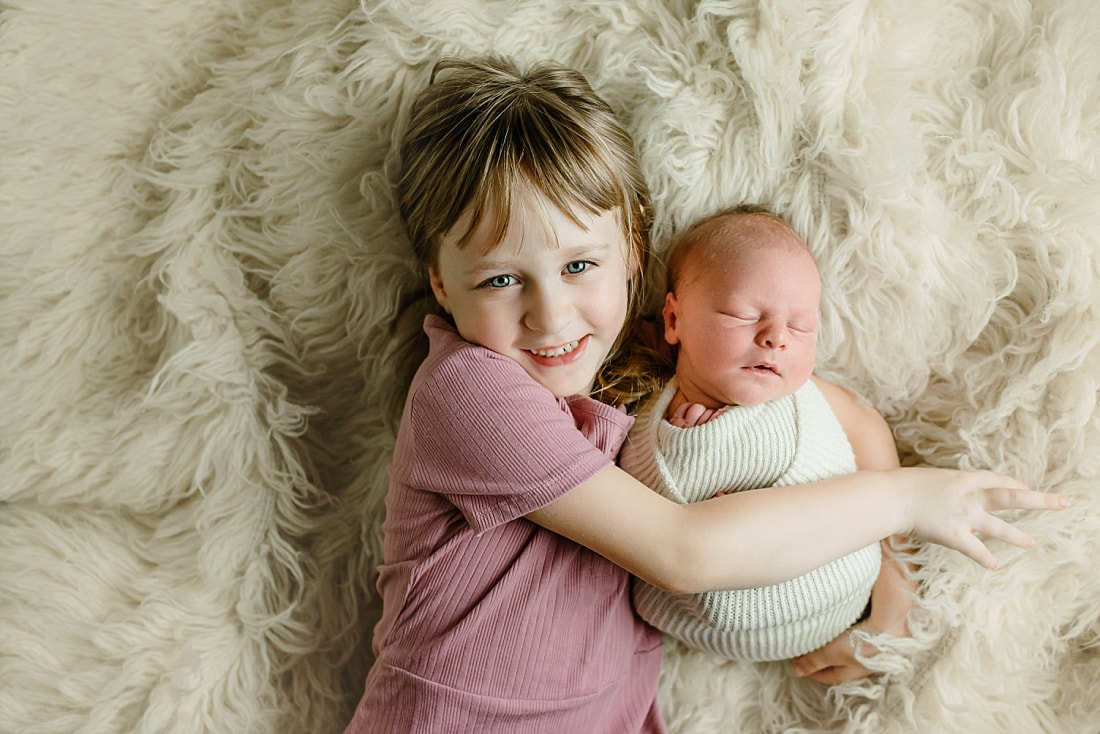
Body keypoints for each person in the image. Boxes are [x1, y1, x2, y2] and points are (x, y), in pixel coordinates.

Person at [344, 56, 1066, 734]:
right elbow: (683, 553)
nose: (550, 315)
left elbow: (848, 417)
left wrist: (894, 586)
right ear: (441, 284)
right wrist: (910, 498)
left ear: (632, 251)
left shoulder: (656, 386)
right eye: (501, 279)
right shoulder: (468, 390)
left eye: (579, 265)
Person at [621, 208, 917, 682]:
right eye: (745, 314)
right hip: (695, 627)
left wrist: (896, 591)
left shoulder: (808, 399)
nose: (776, 337)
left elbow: (868, 427)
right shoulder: (639, 421)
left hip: (845, 598)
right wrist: (696, 452)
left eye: (801, 326)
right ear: (673, 319)